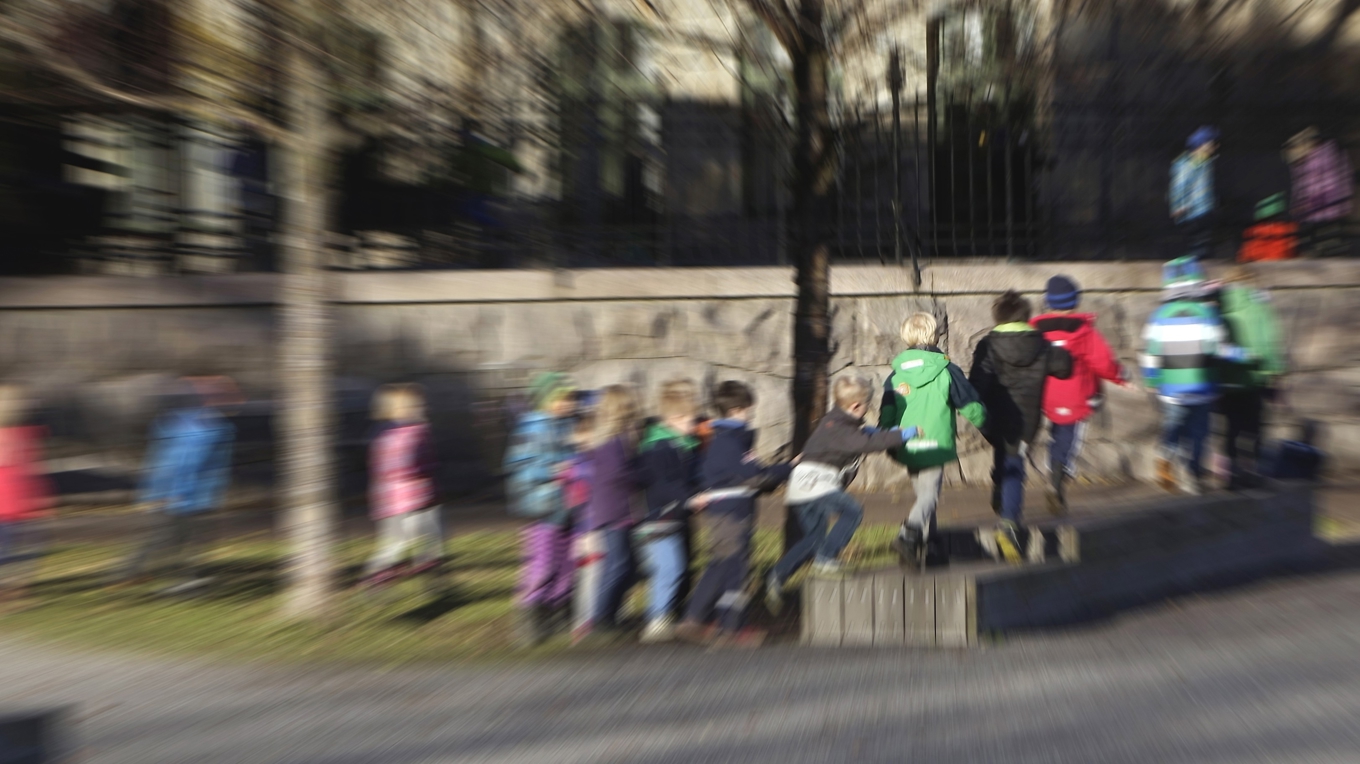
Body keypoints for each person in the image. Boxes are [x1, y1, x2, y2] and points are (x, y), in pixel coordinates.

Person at [765, 376, 916, 614]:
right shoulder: (841, 430)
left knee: (813, 539)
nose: (867, 409)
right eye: (866, 405)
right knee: (852, 511)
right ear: (856, 406)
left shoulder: (834, 421)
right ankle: (826, 560)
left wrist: (881, 431)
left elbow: (864, 435)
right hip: (816, 483)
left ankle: (777, 576)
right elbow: (866, 444)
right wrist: (903, 435)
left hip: (801, 485)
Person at [675, 381, 793, 648]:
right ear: (739, 409)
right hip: (733, 512)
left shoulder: (720, 440)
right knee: (736, 568)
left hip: (723, 510)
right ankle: (732, 625)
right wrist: (787, 469)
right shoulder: (731, 441)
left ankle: (694, 618)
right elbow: (754, 475)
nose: (750, 415)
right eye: (749, 410)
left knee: (719, 564)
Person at [970, 292, 1072, 563]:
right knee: (1014, 464)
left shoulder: (988, 345)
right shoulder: (1041, 344)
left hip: (994, 416)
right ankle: (1010, 524)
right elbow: (1064, 368)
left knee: (1004, 454)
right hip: (1026, 419)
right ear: (1026, 316)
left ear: (998, 317)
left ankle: (999, 489)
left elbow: (977, 383)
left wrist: (975, 408)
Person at [881, 312, 987, 567]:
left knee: (924, 496)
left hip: (906, 444)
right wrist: (986, 421)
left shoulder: (896, 375)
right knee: (929, 497)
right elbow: (968, 403)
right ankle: (908, 535)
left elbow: (887, 411)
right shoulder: (946, 370)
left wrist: (886, 436)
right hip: (935, 442)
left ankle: (930, 547)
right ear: (934, 335)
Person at [120, 376, 238, 592]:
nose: (235, 401)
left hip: (197, 495)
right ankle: (170, 580)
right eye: (225, 396)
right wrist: (171, 493)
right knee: (172, 538)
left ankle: (133, 573)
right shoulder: (191, 425)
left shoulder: (216, 425)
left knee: (179, 538)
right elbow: (180, 462)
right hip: (179, 495)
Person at [1141, 256, 1247, 495]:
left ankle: (1165, 455)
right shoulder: (1207, 314)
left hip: (1171, 390)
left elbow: (1150, 354)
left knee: (1174, 427)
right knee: (1199, 434)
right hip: (1202, 388)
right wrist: (1242, 354)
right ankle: (1192, 476)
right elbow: (1217, 349)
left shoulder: (1159, 316)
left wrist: (1151, 379)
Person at [1031, 276, 1129, 515]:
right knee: (1068, 437)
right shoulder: (1085, 331)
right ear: (1074, 301)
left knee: (1056, 433)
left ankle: (1054, 466)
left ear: (1048, 301)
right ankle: (1058, 473)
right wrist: (1122, 376)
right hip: (1075, 396)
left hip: (1043, 395)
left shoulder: (1034, 330)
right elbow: (1104, 363)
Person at [504, 372, 578, 647]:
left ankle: (559, 610)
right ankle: (530, 615)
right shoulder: (531, 428)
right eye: (563, 399)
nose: (569, 404)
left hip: (569, 505)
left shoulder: (569, 425)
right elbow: (518, 466)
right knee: (543, 563)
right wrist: (552, 470)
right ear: (546, 400)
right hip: (542, 507)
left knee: (568, 562)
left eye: (570, 398)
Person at [634, 379, 704, 643]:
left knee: (675, 568)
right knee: (668, 569)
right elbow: (665, 484)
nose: (694, 425)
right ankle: (656, 619)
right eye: (690, 420)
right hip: (658, 519)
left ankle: (662, 615)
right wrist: (689, 499)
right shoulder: (660, 449)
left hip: (671, 518)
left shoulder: (682, 446)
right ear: (674, 419)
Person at [361, 384, 441, 585]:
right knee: (411, 535)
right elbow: (405, 464)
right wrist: (426, 468)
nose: (422, 409)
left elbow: (380, 466)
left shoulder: (384, 432)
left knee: (408, 536)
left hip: (398, 498)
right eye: (416, 406)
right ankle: (383, 570)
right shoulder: (405, 432)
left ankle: (390, 567)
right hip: (407, 497)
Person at [582, 385, 642, 637]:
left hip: (618, 510)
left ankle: (611, 614)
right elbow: (618, 474)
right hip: (613, 511)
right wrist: (642, 473)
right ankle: (600, 618)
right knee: (617, 564)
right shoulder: (611, 443)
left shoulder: (617, 440)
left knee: (627, 566)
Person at [1217, 265, 1286, 489]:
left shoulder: (1218, 305)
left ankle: (1229, 473)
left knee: (1230, 427)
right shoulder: (1260, 306)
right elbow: (1269, 341)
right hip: (1253, 377)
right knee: (1254, 427)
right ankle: (1252, 470)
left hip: (1225, 377)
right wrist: (1275, 371)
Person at [0, 385, 54, 602]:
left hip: (18, 504)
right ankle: (16, 586)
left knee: (16, 549)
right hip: (23, 502)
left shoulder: (27, 434)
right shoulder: (30, 434)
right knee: (22, 549)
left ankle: (14, 586)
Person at [1284, 126, 1353, 257]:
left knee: (1326, 231)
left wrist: (1305, 202)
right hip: (1323, 206)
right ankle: (1325, 250)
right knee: (1323, 231)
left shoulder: (1325, 156)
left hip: (1326, 204)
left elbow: (1326, 183)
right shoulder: (1317, 156)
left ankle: (1328, 251)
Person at [1170, 126, 1220, 260]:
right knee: (1197, 241)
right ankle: (1195, 261)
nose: (1213, 148)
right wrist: (1179, 205)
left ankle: (1200, 259)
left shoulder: (1205, 162)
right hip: (1192, 211)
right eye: (1210, 145)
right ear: (1200, 145)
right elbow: (1180, 185)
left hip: (1204, 209)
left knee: (1203, 241)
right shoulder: (1188, 164)